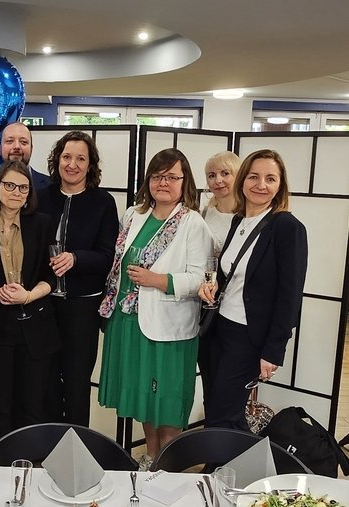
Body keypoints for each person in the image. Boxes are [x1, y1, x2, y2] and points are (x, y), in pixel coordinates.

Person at [97, 148, 212, 471]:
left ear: (185, 182)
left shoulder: (192, 223)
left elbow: (200, 277)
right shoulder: (134, 215)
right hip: (129, 320)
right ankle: (150, 456)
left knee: (168, 401)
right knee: (145, 398)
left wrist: (158, 280)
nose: (163, 183)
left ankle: (171, 465)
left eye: (172, 177)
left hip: (169, 326)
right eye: (157, 176)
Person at [198, 149, 308, 431]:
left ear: (280, 185)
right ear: (243, 180)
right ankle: (227, 457)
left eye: (270, 179)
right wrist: (213, 286)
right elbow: (233, 273)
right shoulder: (239, 220)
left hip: (248, 336)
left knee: (223, 414)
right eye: (254, 177)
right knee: (216, 407)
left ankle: (223, 459)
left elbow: (290, 296)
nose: (261, 185)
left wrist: (274, 351)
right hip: (218, 328)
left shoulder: (287, 227)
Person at [0, 160, 62, 445]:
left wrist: (28, 295)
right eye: (9, 185)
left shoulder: (42, 224)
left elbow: (51, 276)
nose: (16, 192)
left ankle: (28, 461)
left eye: (23, 187)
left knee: (32, 405)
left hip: (36, 326)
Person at [37, 131, 118, 427]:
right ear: (57, 160)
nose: (72, 164)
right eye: (67, 157)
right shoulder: (40, 197)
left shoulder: (103, 202)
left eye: (80, 159)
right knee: (45, 381)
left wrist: (76, 258)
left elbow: (107, 256)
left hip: (83, 307)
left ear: (90, 165)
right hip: (44, 303)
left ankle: (76, 442)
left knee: (76, 382)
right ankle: (46, 442)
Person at [0, 122, 51, 212]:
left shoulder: (50, 186)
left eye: (23, 142)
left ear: (31, 149)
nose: (17, 146)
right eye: (9, 141)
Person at [201, 151, 240, 253]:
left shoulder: (250, 216)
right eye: (212, 175)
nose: (218, 180)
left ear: (239, 176)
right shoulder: (202, 215)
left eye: (225, 173)